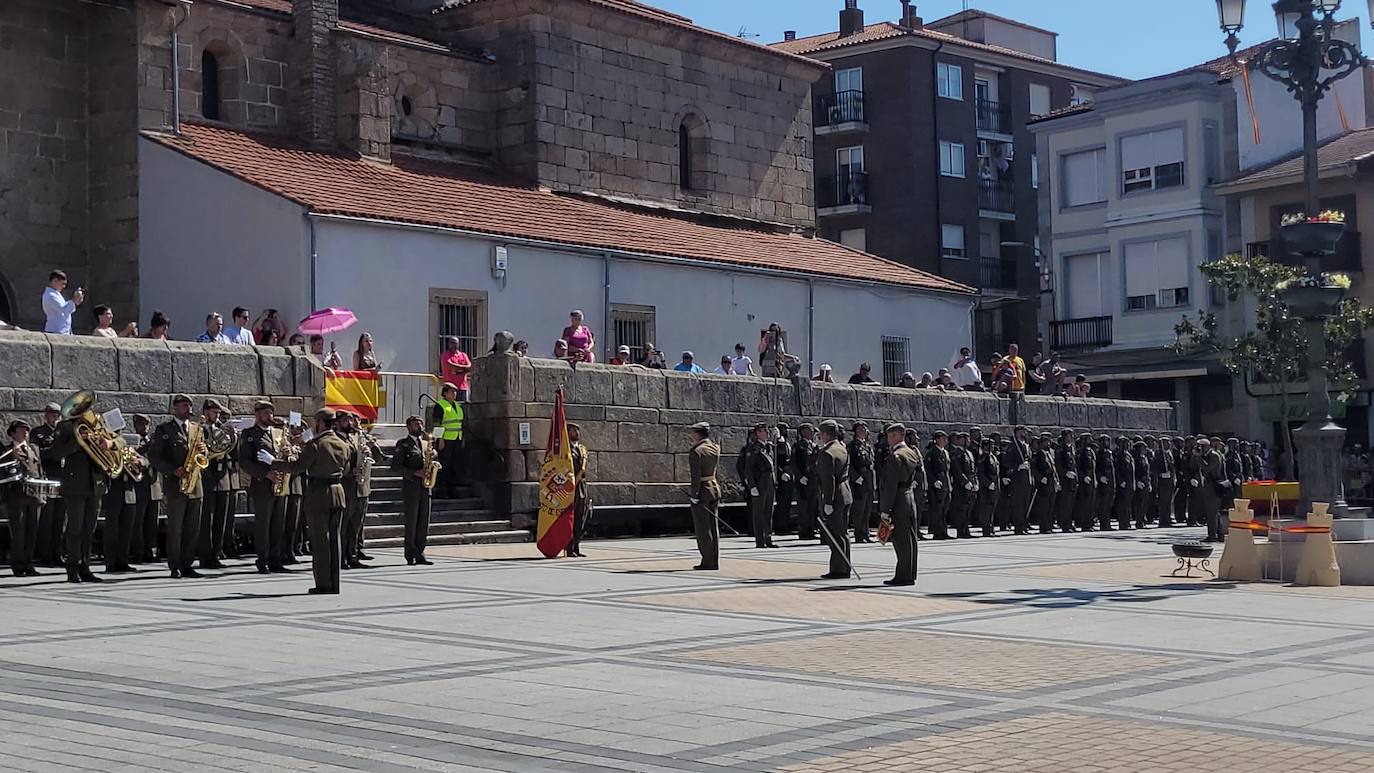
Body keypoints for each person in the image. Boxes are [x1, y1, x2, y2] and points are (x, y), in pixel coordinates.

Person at [262, 407, 357, 594]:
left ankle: (323, 584)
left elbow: (297, 467)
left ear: (320, 423)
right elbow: (347, 469)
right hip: (338, 491)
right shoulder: (344, 444)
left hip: (319, 493)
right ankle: (334, 583)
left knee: (321, 540)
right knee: (335, 539)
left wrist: (273, 462)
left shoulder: (316, 444)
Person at [51, 398, 111, 583]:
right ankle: (73, 569)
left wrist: (109, 444)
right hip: (75, 485)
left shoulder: (98, 425)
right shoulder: (66, 427)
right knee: (75, 529)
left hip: (96, 484)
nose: (88, 411)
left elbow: (115, 442)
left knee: (89, 529)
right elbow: (56, 453)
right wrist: (80, 442)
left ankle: (86, 567)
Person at [148, 394, 208, 579]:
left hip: (195, 485)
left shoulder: (198, 429)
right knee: (175, 527)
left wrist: (204, 451)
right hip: (176, 484)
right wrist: (174, 470)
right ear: (175, 408)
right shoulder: (164, 429)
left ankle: (188, 563)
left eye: (190, 405)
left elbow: (205, 454)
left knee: (192, 527)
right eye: (184, 405)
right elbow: (155, 457)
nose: (188, 409)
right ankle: (175, 565)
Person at [237, 401, 292, 574]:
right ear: (258, 414)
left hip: (280, 483)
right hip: (262, 485)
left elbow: (285, 454)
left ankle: (276, 559)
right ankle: (263, 559)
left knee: (278, 524)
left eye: (271, 413)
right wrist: (264, 473)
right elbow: (245, 461)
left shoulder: (278, 433)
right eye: (266, 413)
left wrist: (289, 454)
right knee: (263, 524)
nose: (271, 417)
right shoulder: (249, 434)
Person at [878, 424, 920, 586]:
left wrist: (885, 510)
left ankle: (903, 576)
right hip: (909, 497)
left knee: (901, 540)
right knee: (910, 538)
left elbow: (890, 486)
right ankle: (910, 573)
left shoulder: (895, 456)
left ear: (895, 436)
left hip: (898, 501)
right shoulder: (911, 453)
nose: (888, 440)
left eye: (889, 436)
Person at [197, 400, 236, 570]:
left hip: (223, 480)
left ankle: (216, 553)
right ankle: (205, 556)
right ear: (205, 412)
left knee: (221, 519)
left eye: (218, 413)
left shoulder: (221, 432)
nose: (217, 416)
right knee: (207, 520)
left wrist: (234, 437)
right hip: (207, 478)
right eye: (214, 412)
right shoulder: (198, 431)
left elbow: (234, 454)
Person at [391, 415, 434, 566]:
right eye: (416, 424)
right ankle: (410, 554)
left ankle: (421, 552)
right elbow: (395, 467)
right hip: (411, 487)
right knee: (412, 521)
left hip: (425, 486)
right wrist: (414, 473)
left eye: (421, 423)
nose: (420, 427)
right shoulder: (402, 444)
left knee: (424, 521)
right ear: (409, 427)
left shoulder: (425, 443)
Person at [5, 420, 45, 577]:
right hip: (16, 496)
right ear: (13, 433)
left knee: (32, 532)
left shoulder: (33, 448)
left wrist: (43, 493)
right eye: (21, 431)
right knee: (19, 533)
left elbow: (39, 469)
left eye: (27, 431)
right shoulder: (7, 450)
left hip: (34, 495)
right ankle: (18, 565)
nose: (25, 433)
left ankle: (29, 563)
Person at [815, 421, 853, 580]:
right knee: (843, 533)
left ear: (824, 434)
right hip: (845, 493)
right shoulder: (841, 448)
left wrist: (828, 502)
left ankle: (838, 569)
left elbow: (828, 479)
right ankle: (845, 566)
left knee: (835, 534)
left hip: (835, 495)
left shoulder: (827, 453)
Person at [31, 403, 66, 568]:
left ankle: (57, 553)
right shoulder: (38, 432)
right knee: (47, 519)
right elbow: (37, 454)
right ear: (46, 415)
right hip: (49, 477)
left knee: (61, 519)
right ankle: (45, 555)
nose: (56, 417)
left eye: (58, 414)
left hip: (65, 478)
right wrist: (55, 450)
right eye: (52, 413)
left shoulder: (63, 433)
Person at [686, 422, 721, 571]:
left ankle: (707, 561)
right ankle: (715, 560)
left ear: (697, 434)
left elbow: (696, 476)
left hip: (702, 491)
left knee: (703, 528)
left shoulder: (696, 451)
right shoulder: (715, 448)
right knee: (714, 527)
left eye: (693, 433)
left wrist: (694, 495)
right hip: (714, 488)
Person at [128, 414, 162, 564]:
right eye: (141, 425)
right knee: (138, 521)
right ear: (135, 425)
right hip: (140, 485)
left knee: (152, 522)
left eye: (146, 425)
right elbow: (137, 457)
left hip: (153, 485)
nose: (144, 428)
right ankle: (138, 551)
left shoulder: (153, 441)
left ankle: (151, 550)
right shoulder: (132, 441)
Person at [745, 423, 778, 549]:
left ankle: (768, 538)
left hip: (769, 482)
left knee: (769, 512)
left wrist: (777, 438)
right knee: (759, 513)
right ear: (757, 433)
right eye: (763, 431)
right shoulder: (753, 449)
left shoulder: (768, 447)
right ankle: (760, 540)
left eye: (767, 430)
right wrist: (752, 486)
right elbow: (748, 469)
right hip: (760, 483)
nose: (767, 433)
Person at [431, 382, 466, 499]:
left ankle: (452, 490)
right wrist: (439, 439)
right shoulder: (440, 406)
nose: (454, 394)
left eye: (455, 392)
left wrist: (462, 439)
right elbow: (437, 424)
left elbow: (461, 424)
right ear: (445, 393)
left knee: (454, 466)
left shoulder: (458, 406)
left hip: (456, 438)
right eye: (451, 392)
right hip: (445, 440)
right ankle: (442, 490)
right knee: (444, 466)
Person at [565, 422, 592, 557]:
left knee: (581, 516)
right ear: (568, 432)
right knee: (571, 516)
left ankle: (577, 546)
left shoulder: (582, 449)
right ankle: (569, 548)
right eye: (574, 431)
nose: (577, 433)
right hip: (571, 486)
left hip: (581, 485)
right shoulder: (566, 449)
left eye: (578, 431)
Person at [847, 423, 875, 543]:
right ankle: (859, 534)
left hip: (868, 481)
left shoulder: (867, 446)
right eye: (860, 429)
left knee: (867, 509)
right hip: (859, 481)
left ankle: (865, 532)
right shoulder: (852, 446)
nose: (863, 431)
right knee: (859, 509)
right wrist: (855, 477)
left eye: (864, 429)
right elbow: (849, 464)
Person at [948, 431, 978, 539]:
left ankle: (966, 529)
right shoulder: (956, 453)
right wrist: (965, 482)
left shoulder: (969, 453)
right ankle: (961, 530)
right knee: (961, 509)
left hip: (971, 483)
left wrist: (975, 482)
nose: (968, 441)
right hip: (961, 486)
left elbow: (973, 470)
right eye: (966, 439)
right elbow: (957, 470)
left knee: (968, 508)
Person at [792, 423, 818, 540]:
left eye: (812, 430)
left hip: (813, 480)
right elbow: (794, 463)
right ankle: (804, 531)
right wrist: (799, 476)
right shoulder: (798, 446)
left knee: (813, 507)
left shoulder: (814, 446)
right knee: (803, 508)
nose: (811, 433)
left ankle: (811, 530)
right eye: (808, 430)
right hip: (803, 481)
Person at [925, 430, 951, 539]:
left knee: (945, 509)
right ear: (937, 439)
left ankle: (944, 531)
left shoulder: (945, 452)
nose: (945, 440)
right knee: (937, 510)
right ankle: (937, 532)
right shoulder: (932, 452)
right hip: (937, 485)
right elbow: (928, 469)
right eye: (942, 438)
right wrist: (934, 480)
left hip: (945, 484)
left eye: (945, 438)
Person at [1031, 434, 1059, 534]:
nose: (1047, 444)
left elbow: (1054, 468)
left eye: (1048, 442)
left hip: (1051, 482)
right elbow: (1034, 468)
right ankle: (1044, 527)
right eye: (1045, 442)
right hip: (1043, 483)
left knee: (1051, 506)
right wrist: (1040, 478)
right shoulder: (1038, 455)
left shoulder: (1049, 454)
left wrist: (1057, 480)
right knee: (1044, 506)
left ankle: (1049, 526)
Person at [1007, 426, 1032, 535]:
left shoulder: (1026, 445)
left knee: (1026, 503)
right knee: (1019, 505)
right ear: (1017, 432)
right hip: (1018, 480)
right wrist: (1018, 466)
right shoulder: (1013, 446)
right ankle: (1018, 527)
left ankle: (1024, 525)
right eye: (1022, 431)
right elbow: (1008, 463)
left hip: (1027, 479)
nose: (1024, 433)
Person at [42, 269, 83, 335]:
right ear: (55, 281)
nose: (64, 286)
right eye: (62, 283)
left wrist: (75, 302)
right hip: (55, 330)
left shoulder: (56, 294)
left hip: (62, 331)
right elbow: (63, 310)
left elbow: (65, 310)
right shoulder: (50, 295)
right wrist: (74, 300)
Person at [976, 436, 1001, 538]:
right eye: (989, 445)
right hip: (987, 488)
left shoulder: (993, 456)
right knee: (986, 509)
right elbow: (981, 473)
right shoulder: (983, 457)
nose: (992, 447)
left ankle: (991, 528)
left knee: (992, 508)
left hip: (994, 486)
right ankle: (986, 529)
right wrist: (987, 483)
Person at [772, 423, 794, 535]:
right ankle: (780, 526)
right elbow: (775, 460)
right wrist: (780, 473)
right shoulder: (777, 443)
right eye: (783, 429)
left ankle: (786, 523)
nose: (786, 431)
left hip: (789, 474)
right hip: (782, 475)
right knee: (782, 502)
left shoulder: (785, 442)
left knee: (787, 502)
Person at [1055, 429, 1078, 533]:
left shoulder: (1071, 448)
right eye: (1069, 436)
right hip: (1065, 480)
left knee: (1071, 504)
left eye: (1071, 436)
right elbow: (1058, 465)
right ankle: (1065, 524)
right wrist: (1065, 473)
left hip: (1072, 480)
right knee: (1065, 503)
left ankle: (1069, 523)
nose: (1071, 437)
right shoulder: (1061, 449)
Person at [1074, 434, 1098, 533]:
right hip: (1085, 479)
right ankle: (1085, 524)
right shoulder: (1081, 452)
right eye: (1088, 439)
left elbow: (1093, 467)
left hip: (1092, 478)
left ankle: (1090, 523)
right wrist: (1083, 476)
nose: (1090, 440)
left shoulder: (1090, 451)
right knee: (1085, 503)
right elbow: (1078, 466)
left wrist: (1095, 478)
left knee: (1091, 503)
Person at [1113, 436, 1135, 531]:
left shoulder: (1128, 454)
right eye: (1124, 443)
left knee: (1127, 503)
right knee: (1123, 504)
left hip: (1129, 481)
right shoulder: (1119, 454)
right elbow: (1117, 469)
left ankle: (1127, 522)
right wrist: (1120, 480)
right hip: (1123, 482)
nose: (1127, 445)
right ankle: (1123, 523)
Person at [1096, 435, 1117, 531]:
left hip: (1110, 481)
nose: (1107, 443)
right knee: (1103, 504)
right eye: (1105, 441)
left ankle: (1107, 523)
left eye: (1108, 441)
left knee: (1109, 504)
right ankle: (1103, 524)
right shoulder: (1099, 453)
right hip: (1104, 482)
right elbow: (1096, 467)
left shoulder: (1109, 453)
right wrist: (1100, 477)